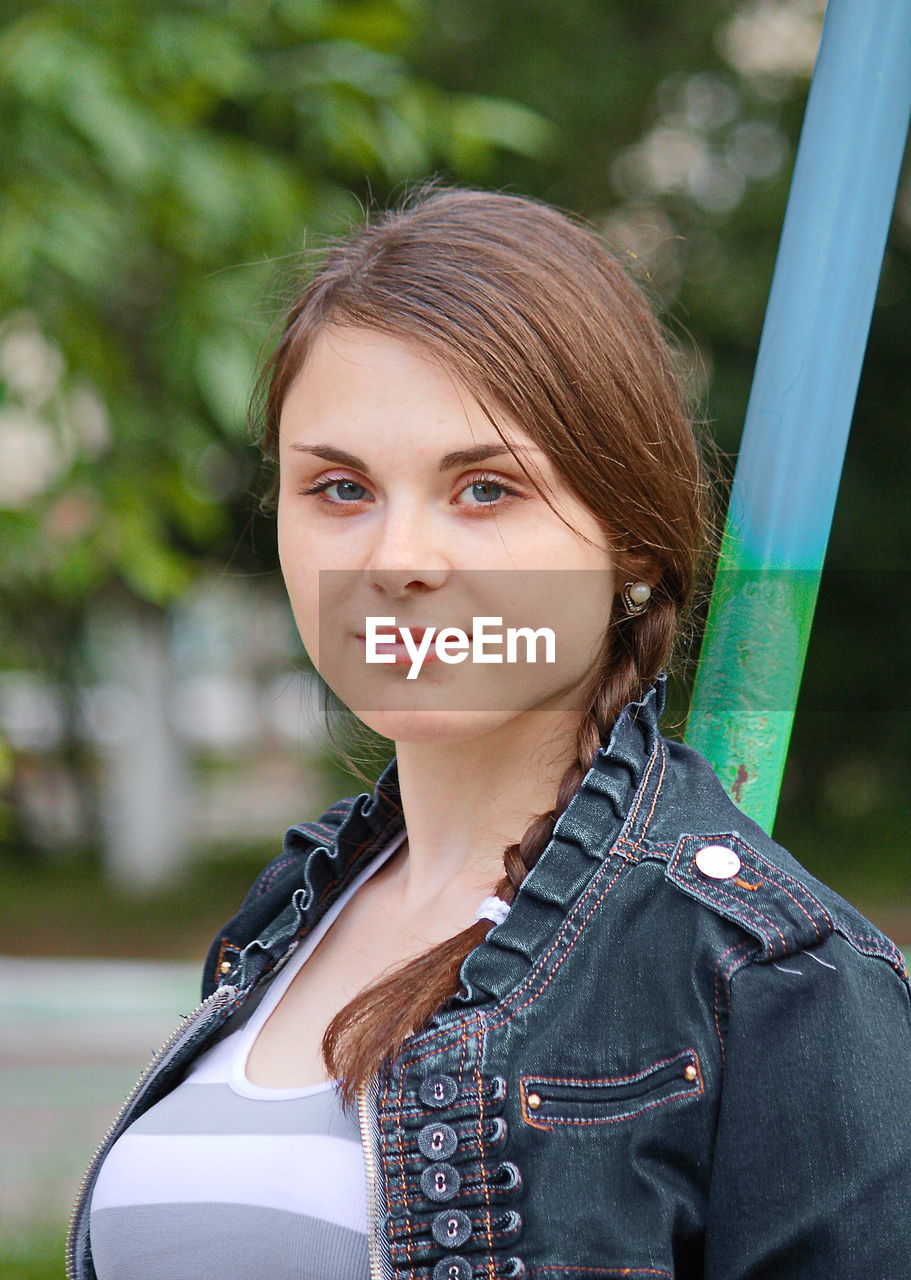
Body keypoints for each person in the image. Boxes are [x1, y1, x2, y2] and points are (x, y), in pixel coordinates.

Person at [68, 181, 911, 1280]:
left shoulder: (769, 976)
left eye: (482, 488)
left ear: (634, 544)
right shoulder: (285, 916)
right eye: (337, 486)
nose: (395, 556)